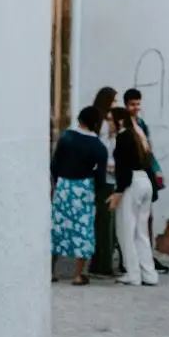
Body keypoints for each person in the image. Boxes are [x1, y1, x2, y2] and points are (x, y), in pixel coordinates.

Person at [51, 107, 110, 285]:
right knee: (82, 230)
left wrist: (56, 182)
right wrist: (100, 194)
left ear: (80, 119)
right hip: (84, 188)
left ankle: (51, 271)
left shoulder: (66, 137)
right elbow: (100, 175)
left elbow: (54, 164)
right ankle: (78, 275)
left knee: (57, 227)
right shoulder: (98, 147)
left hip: (64, 186)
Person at [110, 105, 160, 287]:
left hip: (132, 184)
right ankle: (149, 274)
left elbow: (123, 168)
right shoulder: (138, 136)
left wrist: (118, 192)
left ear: (119, 121)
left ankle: (133, 274)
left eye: (110, 120)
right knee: (141, 232)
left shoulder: (123, 138)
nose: (109, 124)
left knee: (126, 230)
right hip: (144, 181)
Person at [88, 86, 120, 278]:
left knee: (104, 220)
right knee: (106, 221)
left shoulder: (101, 122)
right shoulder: (106, 125)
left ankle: (100, 261)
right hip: (106, 177)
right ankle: (103, 263)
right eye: (114, 101)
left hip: (103, 177)